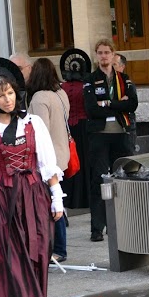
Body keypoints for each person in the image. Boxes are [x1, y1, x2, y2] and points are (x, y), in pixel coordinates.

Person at [0, 57, 64, 297]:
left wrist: (56, 197)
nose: (8, 99)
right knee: (6, 251)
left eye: (10, 93)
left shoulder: (34, 124)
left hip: (32, 194)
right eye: (1, 96)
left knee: (37, 246)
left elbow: (46, 164)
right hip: (0, 196)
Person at [84, 39, 138, 242]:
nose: (104, 56)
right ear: (96, 55)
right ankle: (97, 228)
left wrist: (107, 102)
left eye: (107, 52)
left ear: (114, 54)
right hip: (99, 136)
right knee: (98, 180)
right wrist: (117, 104)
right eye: (100, 52)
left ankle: (125, 222)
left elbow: (132, 104)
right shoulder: (90, 80)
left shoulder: (124, 79)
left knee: (123, 179)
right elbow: (91, 109)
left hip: (121, 134)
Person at [27, 58, 71, 263]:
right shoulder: (60, 93)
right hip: (62, 152)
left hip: (48, 157)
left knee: (52, 203)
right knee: (56, 198)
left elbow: (39, 129)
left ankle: (59, 248)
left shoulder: (39, 98)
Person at [61, 58, 90, 210]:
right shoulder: (85, 87)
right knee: (82, 161)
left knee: (69, 161)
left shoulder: (61, 88)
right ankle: (83, 198)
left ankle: (70, 198)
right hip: (83, 127)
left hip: (67, 128)